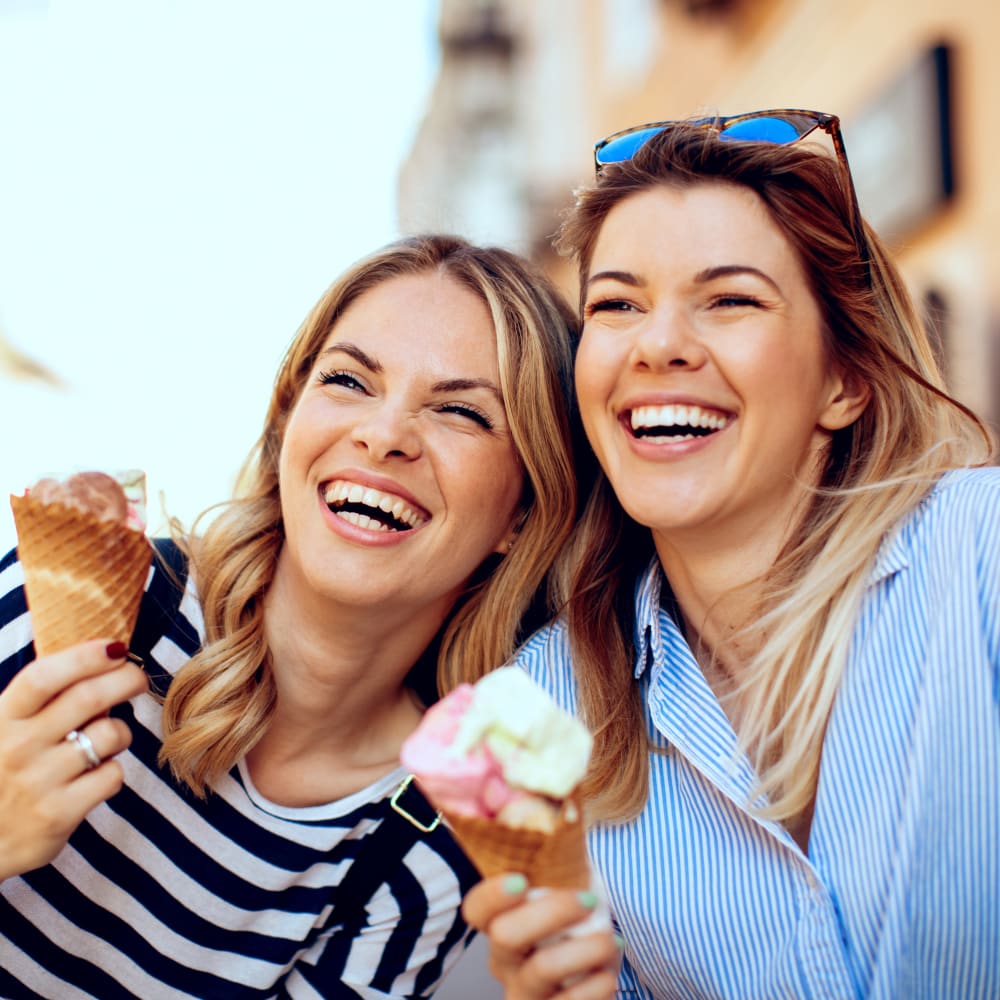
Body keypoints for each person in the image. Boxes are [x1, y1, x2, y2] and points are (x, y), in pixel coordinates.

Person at [463, 112, 1000, 999]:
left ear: (846, 379)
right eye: (617, 305)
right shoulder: (534, 711)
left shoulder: (979, 552)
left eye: (730, 299)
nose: (657, 343)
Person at [0, 234, 583, 998]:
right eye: (349, 380)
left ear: (523, 511)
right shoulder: (77, 613)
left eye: (461, 413)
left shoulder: (431, 841)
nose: (383, 435)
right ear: (287, 424)